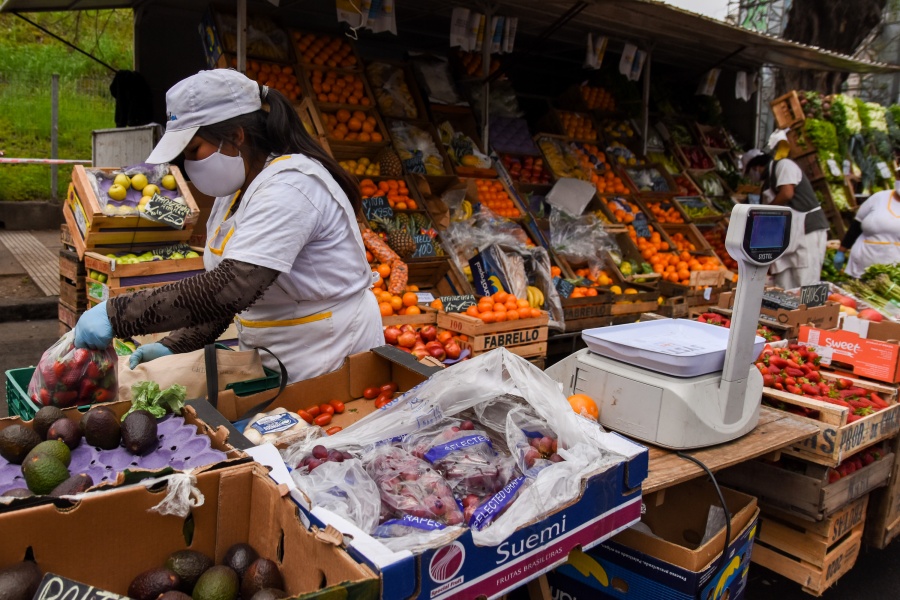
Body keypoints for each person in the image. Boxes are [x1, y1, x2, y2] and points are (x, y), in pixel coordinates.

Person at [73, 69, 383, 384]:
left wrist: (118, 314)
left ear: (236, 135)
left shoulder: (292, 187)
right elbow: (228, 292)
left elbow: (232, 286)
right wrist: (177, 343)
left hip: (330, 357)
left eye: (194, 150)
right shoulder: (235, 190)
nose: (189, 164)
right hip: (272, 358)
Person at [744, 129, 830, 289]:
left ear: (756, 167)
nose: (751, 178)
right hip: (788, 238)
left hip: (807, 232)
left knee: (805, 280)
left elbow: (787, 193)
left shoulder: (784, 165)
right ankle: (787, 313)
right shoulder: (767, 183)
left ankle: (807, 313)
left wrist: (763, 214)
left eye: (750, 173)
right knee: (784, 285)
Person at [839, 181, 900, 278]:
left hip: (894, 271)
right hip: (861, 266)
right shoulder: (879, 198)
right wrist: (841, 251)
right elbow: (855, 227)